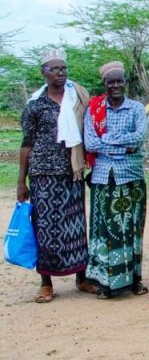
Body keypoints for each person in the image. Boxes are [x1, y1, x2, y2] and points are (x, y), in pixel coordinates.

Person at [17, 48, 95, 303]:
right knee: (46, 228)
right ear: (44, 73)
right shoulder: (35, 106)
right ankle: (46, 282)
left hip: (71, 171)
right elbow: (26, 143)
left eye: (63, 69)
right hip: (43, 174)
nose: (60, 73)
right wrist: (21, 180)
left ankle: (81, 278)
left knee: (75, 225)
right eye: (54, 69)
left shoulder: (77, 99)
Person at [83, 62, 148, 299]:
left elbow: (139, 138)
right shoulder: (95, 110)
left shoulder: (136, 108)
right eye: (111, 82)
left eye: (119, 81)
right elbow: (90, 143)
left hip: (131, 177)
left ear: (125, 83)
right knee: (104, 231)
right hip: (102, 178)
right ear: (105, 85)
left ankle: (134, 280)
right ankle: (105, 283)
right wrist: (122, 145)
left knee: (131, 229)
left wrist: (108, 141)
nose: (116, 85)